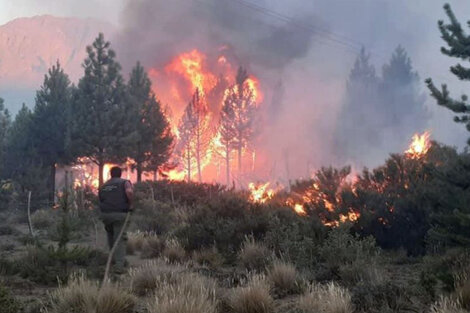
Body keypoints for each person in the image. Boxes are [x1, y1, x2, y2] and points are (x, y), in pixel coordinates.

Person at [98, 166, 133, 270]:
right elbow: (129, 192)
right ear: (120, 174)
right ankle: (119, 265)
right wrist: (131, 204)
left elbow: (100, 199)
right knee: (120, 239)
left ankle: (113, 260)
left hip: (106, 215)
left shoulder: (103, 185)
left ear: (111, 174)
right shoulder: (124, 182)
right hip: (120, 214)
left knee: (111, 237)